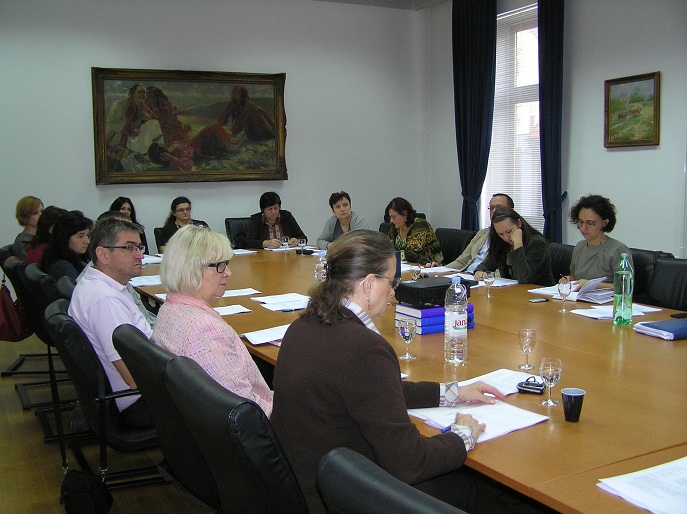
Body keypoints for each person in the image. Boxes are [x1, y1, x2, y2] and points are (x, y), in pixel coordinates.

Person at [271, 230, 506, 513]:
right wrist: (462, 435)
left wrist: (453, 393)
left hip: (302, 483)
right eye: (392, 281)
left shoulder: (303, 326)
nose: (394, 291)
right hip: (337, 498)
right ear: (369, 283)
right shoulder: (365, 348)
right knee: (461, 486)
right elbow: (409, 463)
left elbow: (374, 391)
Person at [152, 226, 273, 415]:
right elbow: (246, 409)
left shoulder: (170, 307)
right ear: (191, 269)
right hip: (257, 423)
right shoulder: (204, 329)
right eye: (220, 265)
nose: (228, 273)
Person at [68, 217, 153, 427]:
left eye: (139, 247)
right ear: (103, 254)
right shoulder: (105, 301)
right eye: (129, 248)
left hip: (139, 389)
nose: (140, 255)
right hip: (140, 402)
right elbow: (133, 378)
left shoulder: (101, 285)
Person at [474, 206, 554, 286]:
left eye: (509, 231)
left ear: (519, 223)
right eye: (500, 234)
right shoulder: (502, 242)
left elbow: (523, 278)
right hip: (511, 290)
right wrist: (479, 272)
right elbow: (486, 265)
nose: (506, 238)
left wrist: (518, 244)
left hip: (537, 291)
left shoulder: (537, 243)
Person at [566, 194, 632, 283]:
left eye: (590, 223)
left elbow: (625, 285)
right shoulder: (579, 246)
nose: (583, 228)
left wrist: (590, 284)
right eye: (580, 222)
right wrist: (569, 279)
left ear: (604, 223)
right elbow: (574, 276)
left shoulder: (618, 250)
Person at [441, 193, 514, 273]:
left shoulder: (510, 237)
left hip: (485, 278)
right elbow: (462, 261)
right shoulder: (482, 233)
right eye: (491, 208)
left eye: (499, 207)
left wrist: (484, 275)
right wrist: (440, 270)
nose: (494, 211)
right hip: (465, 275)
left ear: (511, 211)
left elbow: (504, 272)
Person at [385, 197, 442, 264]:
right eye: (390, 217)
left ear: (405, 214)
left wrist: (390, 255)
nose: (391, 221)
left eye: (394, 217)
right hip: (408, 267)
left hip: (431, 267)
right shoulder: (395, 229)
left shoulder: (420, 226)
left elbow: (412, 254)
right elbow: (387, 247)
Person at [39, 210, 92, 281]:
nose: (87, 241)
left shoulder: (75, 258)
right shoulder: (63, 267)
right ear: (64, 238)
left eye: (87, 235)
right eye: (80, 236)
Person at [13, 196, 43, 260]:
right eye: (35, 213)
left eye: (42, 211)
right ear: (25, 217)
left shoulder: (44, 236)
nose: (41, 215)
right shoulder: (23, 242)